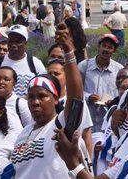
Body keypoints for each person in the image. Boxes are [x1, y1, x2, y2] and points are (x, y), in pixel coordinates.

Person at [10, 24, 88, 178]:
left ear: (56, 99)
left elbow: (76, 99)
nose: (35, 102)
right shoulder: (23, 133)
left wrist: (68, 52)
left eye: (42, 96)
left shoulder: (61, 126)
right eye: (31, 97)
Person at [0, 25, 46, 97]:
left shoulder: (36, 64)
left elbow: (43, 91)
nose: (14, 45)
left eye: (18, 42)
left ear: (26, 43)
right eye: (11, 41)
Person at [79, 34, 124, 132]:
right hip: (87, 123)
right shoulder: (84, 66)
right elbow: (75, 90)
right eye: (104, 46)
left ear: (114, 51)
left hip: (107, 124)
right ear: (99, 47)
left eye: (110, 47)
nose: (106, 49)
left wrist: (113, 103)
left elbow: (123, 94)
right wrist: (89, 97)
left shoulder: (119, 70)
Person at [0, 66, 33, 135]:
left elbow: (31, 129)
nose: (1, 82)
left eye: (6, 79)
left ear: (14, 83)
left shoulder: (21, 105)